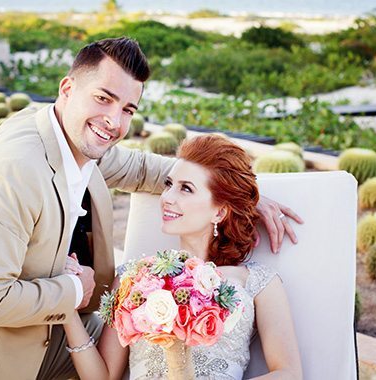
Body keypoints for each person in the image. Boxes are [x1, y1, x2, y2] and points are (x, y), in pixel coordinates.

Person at [0, 37, 301, 380]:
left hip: (49, 341)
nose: (114, 121)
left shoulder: (78, 141)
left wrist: (234, 192)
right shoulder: (13, 171)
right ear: (67, 88)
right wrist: (76, 288)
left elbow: (140, 166)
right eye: (103, 97)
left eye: (128, 109)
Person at [62, 134, 303, 379]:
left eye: (186, 188)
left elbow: (289, 373)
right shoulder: (132, 278)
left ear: (220, 212)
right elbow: (103, 377)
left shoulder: (258, 281)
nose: (167, 198)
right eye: (168, 184)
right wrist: (66, 305)